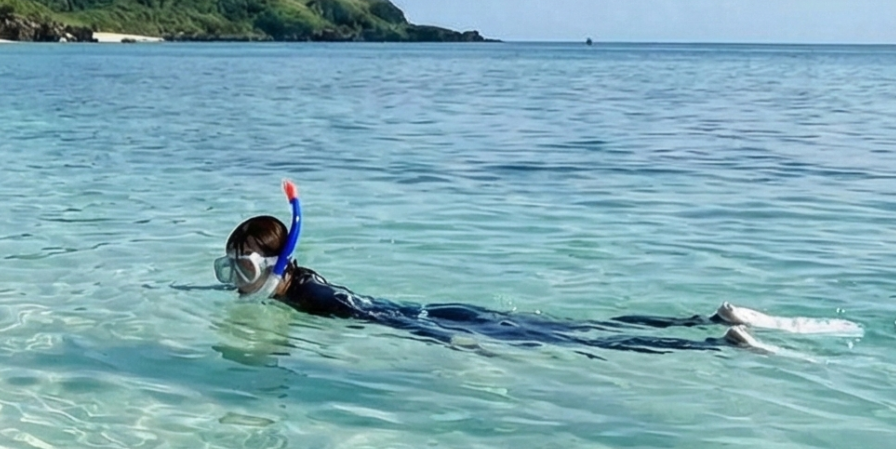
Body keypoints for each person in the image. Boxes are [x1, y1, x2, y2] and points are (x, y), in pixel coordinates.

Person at [216, 181, 858, 354]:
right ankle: (706, 319)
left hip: (442, 320)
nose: (237, 280)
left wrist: (454, 343)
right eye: (231, 270)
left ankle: (720, 339)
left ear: (276, 263)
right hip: (441, 310)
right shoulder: (298, 288)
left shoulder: (311, 298)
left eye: (240, 267)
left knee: (587, 340)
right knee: (582, 329)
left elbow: (375, 320)